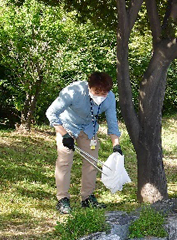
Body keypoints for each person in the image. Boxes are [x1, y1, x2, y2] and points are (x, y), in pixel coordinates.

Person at [46, 72, 122, 214]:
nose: (100, 96)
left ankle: (87, 198)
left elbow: (112, 123)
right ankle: (62, 199)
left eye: (104, 93)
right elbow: (51, 113)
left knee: (92, 162)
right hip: (67, 126)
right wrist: (64, 135)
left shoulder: (110, 98)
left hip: (88, 128)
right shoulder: (74, 91)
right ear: (89, 87)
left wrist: (116, 145)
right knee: (64, 161)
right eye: (97, 92)